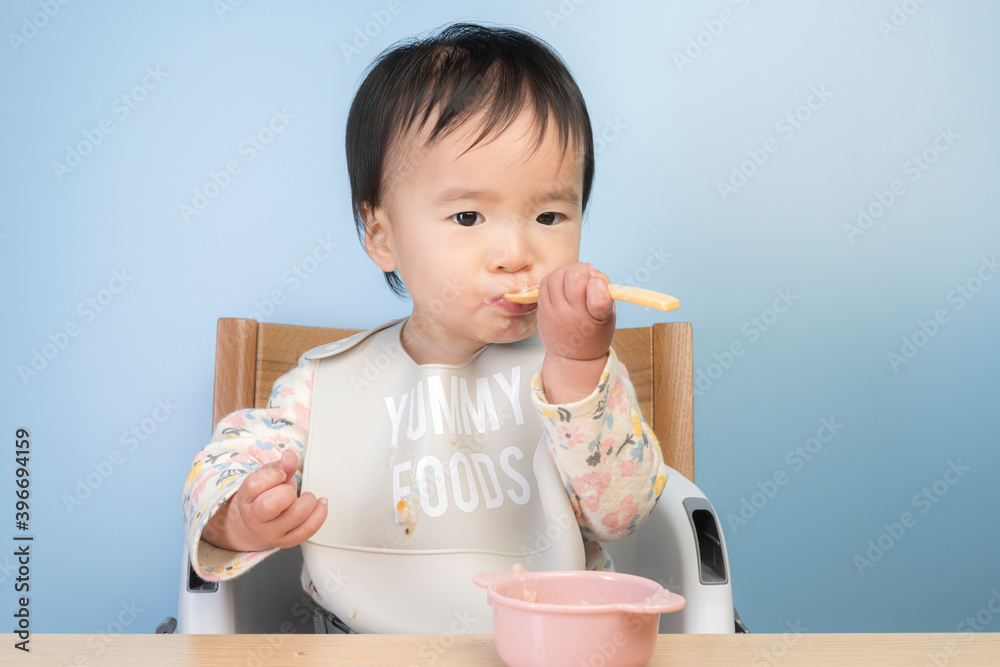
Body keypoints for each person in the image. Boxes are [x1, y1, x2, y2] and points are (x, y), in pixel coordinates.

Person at [182, 21, 668, 633]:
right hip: (358, 640)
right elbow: (224, 459)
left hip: (546, 638)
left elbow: (622, 513)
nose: (515, 252)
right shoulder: (326, 388)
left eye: (549, 214)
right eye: (468, 216)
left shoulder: (581, 371)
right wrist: (237, 515)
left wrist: (577, 369)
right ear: (382, 236)